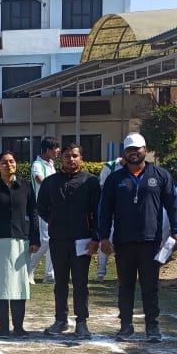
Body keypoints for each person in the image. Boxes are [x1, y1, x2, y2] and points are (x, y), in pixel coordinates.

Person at [97, 133, 177, 343]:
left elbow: (173, 204)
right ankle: (126, 326)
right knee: (125, 287)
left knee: (150, 287)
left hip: (151, 241)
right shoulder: (115, 179)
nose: (133, 153)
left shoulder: (161, 175)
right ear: (124, 153)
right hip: (124, 241)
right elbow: (104, 210)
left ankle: (152, 327)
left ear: (145, 150)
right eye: (129, 150)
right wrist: (103, 237)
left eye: (137, 149)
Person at [37, 142, 100, 339]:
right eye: (66, 156)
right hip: (58, 240)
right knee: (61, 283)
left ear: (81, 158)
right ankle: (61, 320)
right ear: (61, 159)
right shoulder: (50, 182)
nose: (70, 159)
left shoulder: (91, 182)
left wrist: (95, 238)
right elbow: (41, 208)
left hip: (82, 240)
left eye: (74, 156)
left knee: (81, 283)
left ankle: (81, 322)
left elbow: (98, 212)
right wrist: (54, 221)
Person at [0, 151, 39, 338]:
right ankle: (3, 327)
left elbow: (33, 214)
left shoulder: (25, 186)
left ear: (16, 164)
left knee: (19, 287)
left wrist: (35, 239)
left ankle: (18, 327)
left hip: (21, 242)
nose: (8, 165)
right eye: (4, 162)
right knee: (0, 286)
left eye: (11, 161)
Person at [29, 137, 59, 284]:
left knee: (53, 240)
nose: (58, 151)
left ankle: (49, 275)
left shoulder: (51, 165)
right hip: (42, 208)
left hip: (53, 208)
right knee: (45, 240)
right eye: (55, 149)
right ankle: (28, 269)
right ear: (48, 150)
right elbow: (40, 179)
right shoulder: (37, 164)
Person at [95, 156, 122, 280]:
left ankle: (122, 274)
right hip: (110, 210)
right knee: (105, 241)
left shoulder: (132, 167)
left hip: (124, 212)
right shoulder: (110, 166)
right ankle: (101, 273)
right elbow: (102, 186)